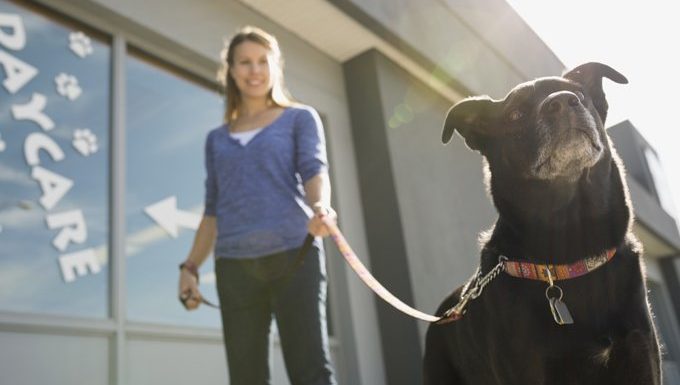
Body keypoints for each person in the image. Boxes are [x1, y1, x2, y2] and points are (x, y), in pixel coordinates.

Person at [178, 26, 337, 385]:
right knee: (245, 378)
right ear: (231, 70)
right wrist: (189, 267)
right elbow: (212, 211)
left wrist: (321, 207)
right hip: (235, 268)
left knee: (311, 372)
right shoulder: (216, 140)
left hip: (294, 255)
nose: (254, 70)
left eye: (263, 61)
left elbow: (314, 169)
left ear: (275, 66)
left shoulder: (300, 118)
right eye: (245, 63)